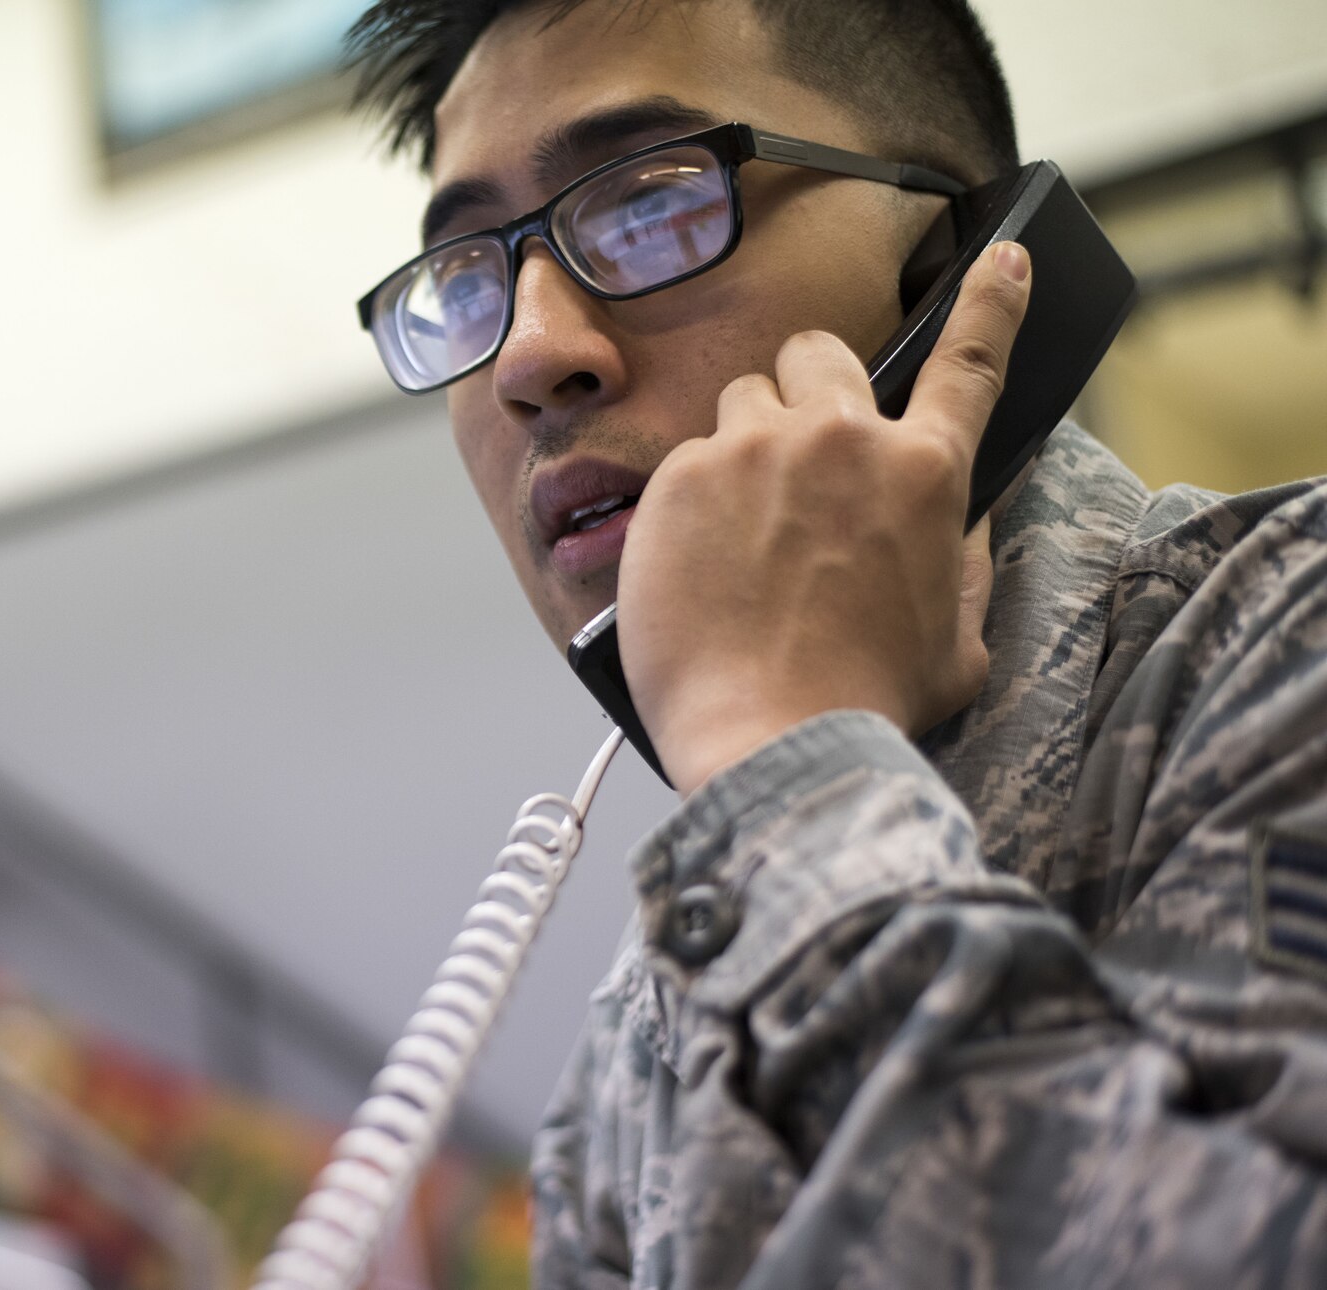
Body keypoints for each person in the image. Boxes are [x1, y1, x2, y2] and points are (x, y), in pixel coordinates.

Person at [342, 1, 1327, 1286]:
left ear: (961, 264)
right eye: (468, 277)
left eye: (649, 204)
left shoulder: (1277, 646)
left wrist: (781, 753)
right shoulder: (637, 1050)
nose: (528, 356)